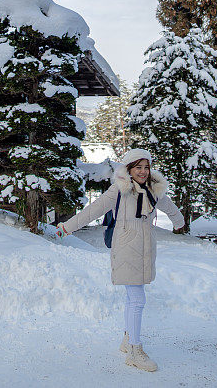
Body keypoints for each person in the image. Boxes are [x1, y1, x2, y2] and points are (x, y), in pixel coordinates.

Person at [55, 148, 187, 372]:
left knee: (131, 297)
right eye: (138, 167)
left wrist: (179, 221)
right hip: (126, 247)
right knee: (137, 299)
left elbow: (170, 207)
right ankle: (135, 350)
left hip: (146, 249)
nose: (143, 172)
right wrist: (67, 227)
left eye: (146, 167)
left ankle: (128, 339)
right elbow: (93, 210)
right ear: (129, 168)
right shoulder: (119, 189)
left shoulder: (154, 189)